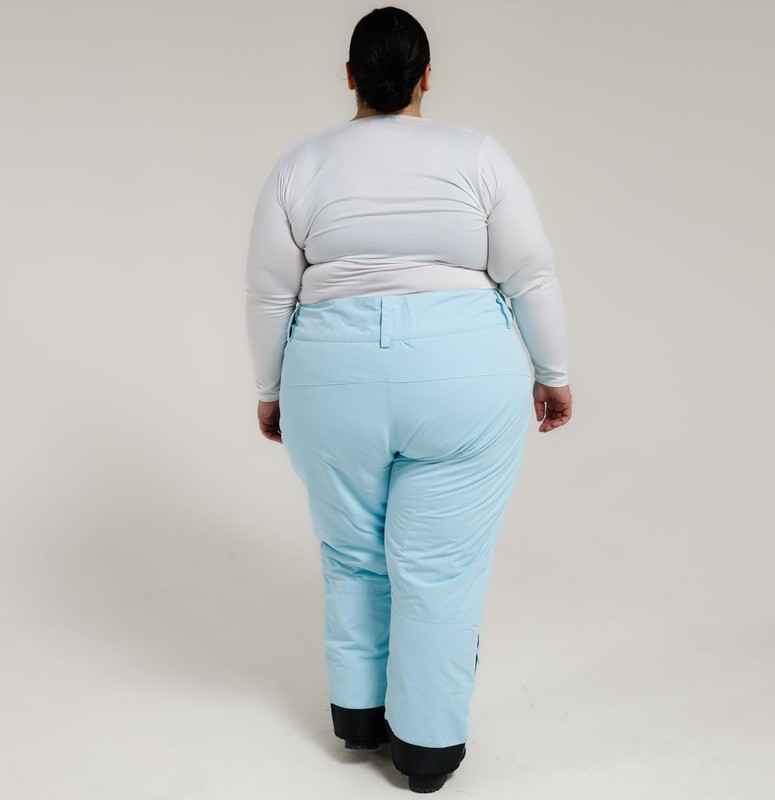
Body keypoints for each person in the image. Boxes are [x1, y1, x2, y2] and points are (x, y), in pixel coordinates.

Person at [244, 6, 572, 794]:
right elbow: (529, 273)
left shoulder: (300, 165)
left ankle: (359, 718)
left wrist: (271, 389)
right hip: (463, 376)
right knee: (439, 567)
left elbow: (269, 294)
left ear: (349, 78)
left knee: (352, 552)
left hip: (331, 378)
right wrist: (552, 370)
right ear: (428, 77)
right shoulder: (477, 156)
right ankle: (426, 750)